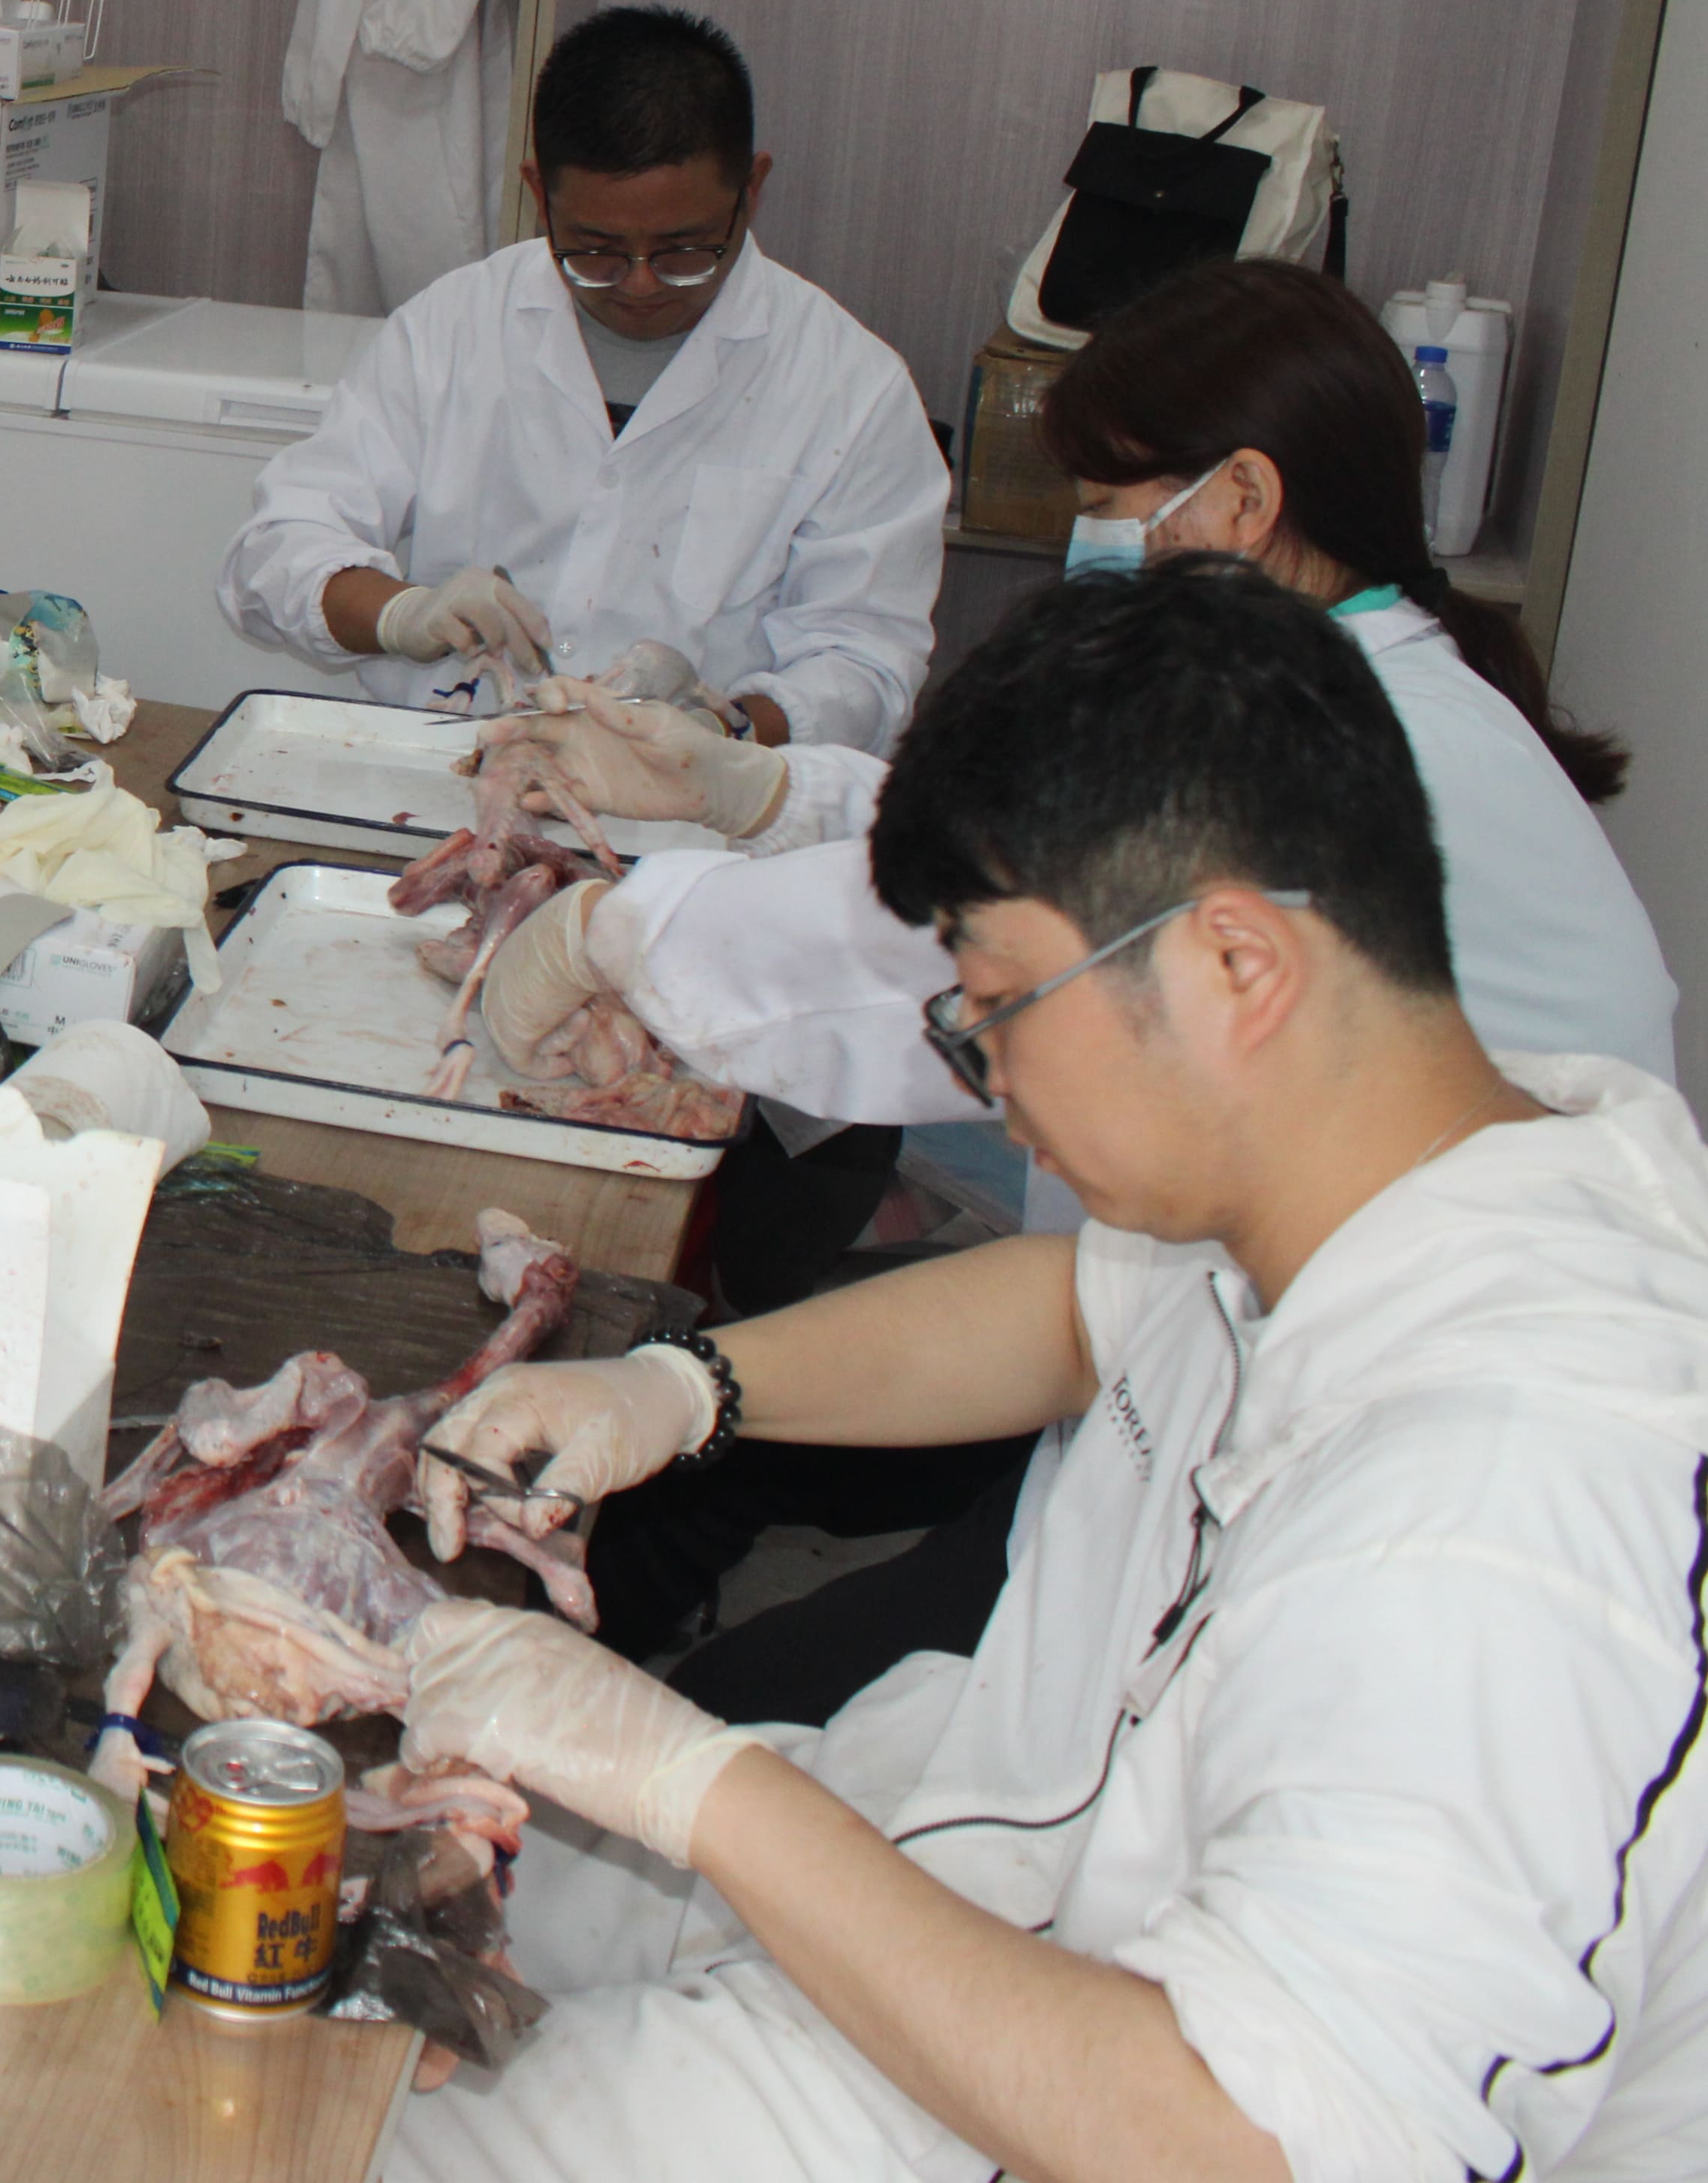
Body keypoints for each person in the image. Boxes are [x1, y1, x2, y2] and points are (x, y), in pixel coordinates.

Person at [382, 557, 1708, 2183]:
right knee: (367, 1881)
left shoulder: (1497, 1511)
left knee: (360, 2126)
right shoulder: (1385, 1158)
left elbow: (1245, 2141)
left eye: (998, 1006)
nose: (988, 1080)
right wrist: (677, 1390)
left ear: (1238, 964)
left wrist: (698, 1783)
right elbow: (1086, 1314)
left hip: (1093, 2084)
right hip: (992, 1856)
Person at [478, 257, 1677, 1704]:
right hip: (1172, 1345)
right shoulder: (1335, 690)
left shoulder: (1331, 745)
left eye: (1112, 507)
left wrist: (624, 933)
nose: (1093, 544)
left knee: (757, 1674)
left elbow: (957, 934)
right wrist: (761, 793)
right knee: (712, 1461)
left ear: (1244, 498)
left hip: (1250, 1451)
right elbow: (1048, 878)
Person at [215, 3, 945, 756]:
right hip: (441, 770)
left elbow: (865, 664)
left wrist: (717, 732)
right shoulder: (454, 327)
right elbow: (275, 551)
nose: (640, 285)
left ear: (751, 189)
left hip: (696, 805)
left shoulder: (851, 389)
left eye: (685, 249)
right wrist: (406, 615)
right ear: (539, 193)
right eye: (596, 249)